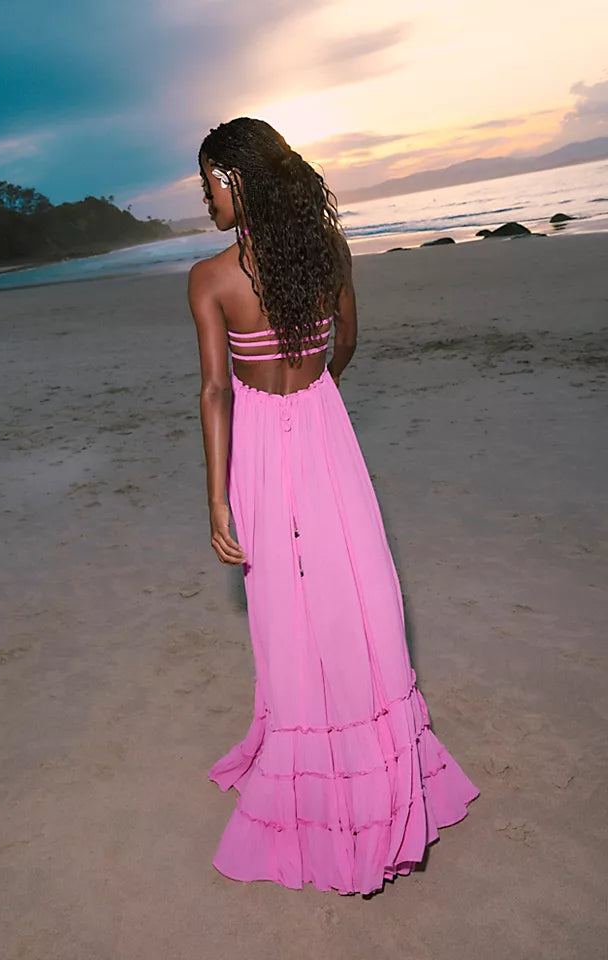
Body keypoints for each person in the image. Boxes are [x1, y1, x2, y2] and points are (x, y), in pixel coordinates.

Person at [187, 117, 478, 896]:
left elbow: (215, 390)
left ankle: (310, 751)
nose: (205, 198)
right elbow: (344, 343)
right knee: (356, 586)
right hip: (324, 427)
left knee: (286, 603)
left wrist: (216, 498)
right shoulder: (326, 253)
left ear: (235, 180)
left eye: (209, 182)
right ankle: (375, 752)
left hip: (258, 446)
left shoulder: (210, 278)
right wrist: (316, 394)